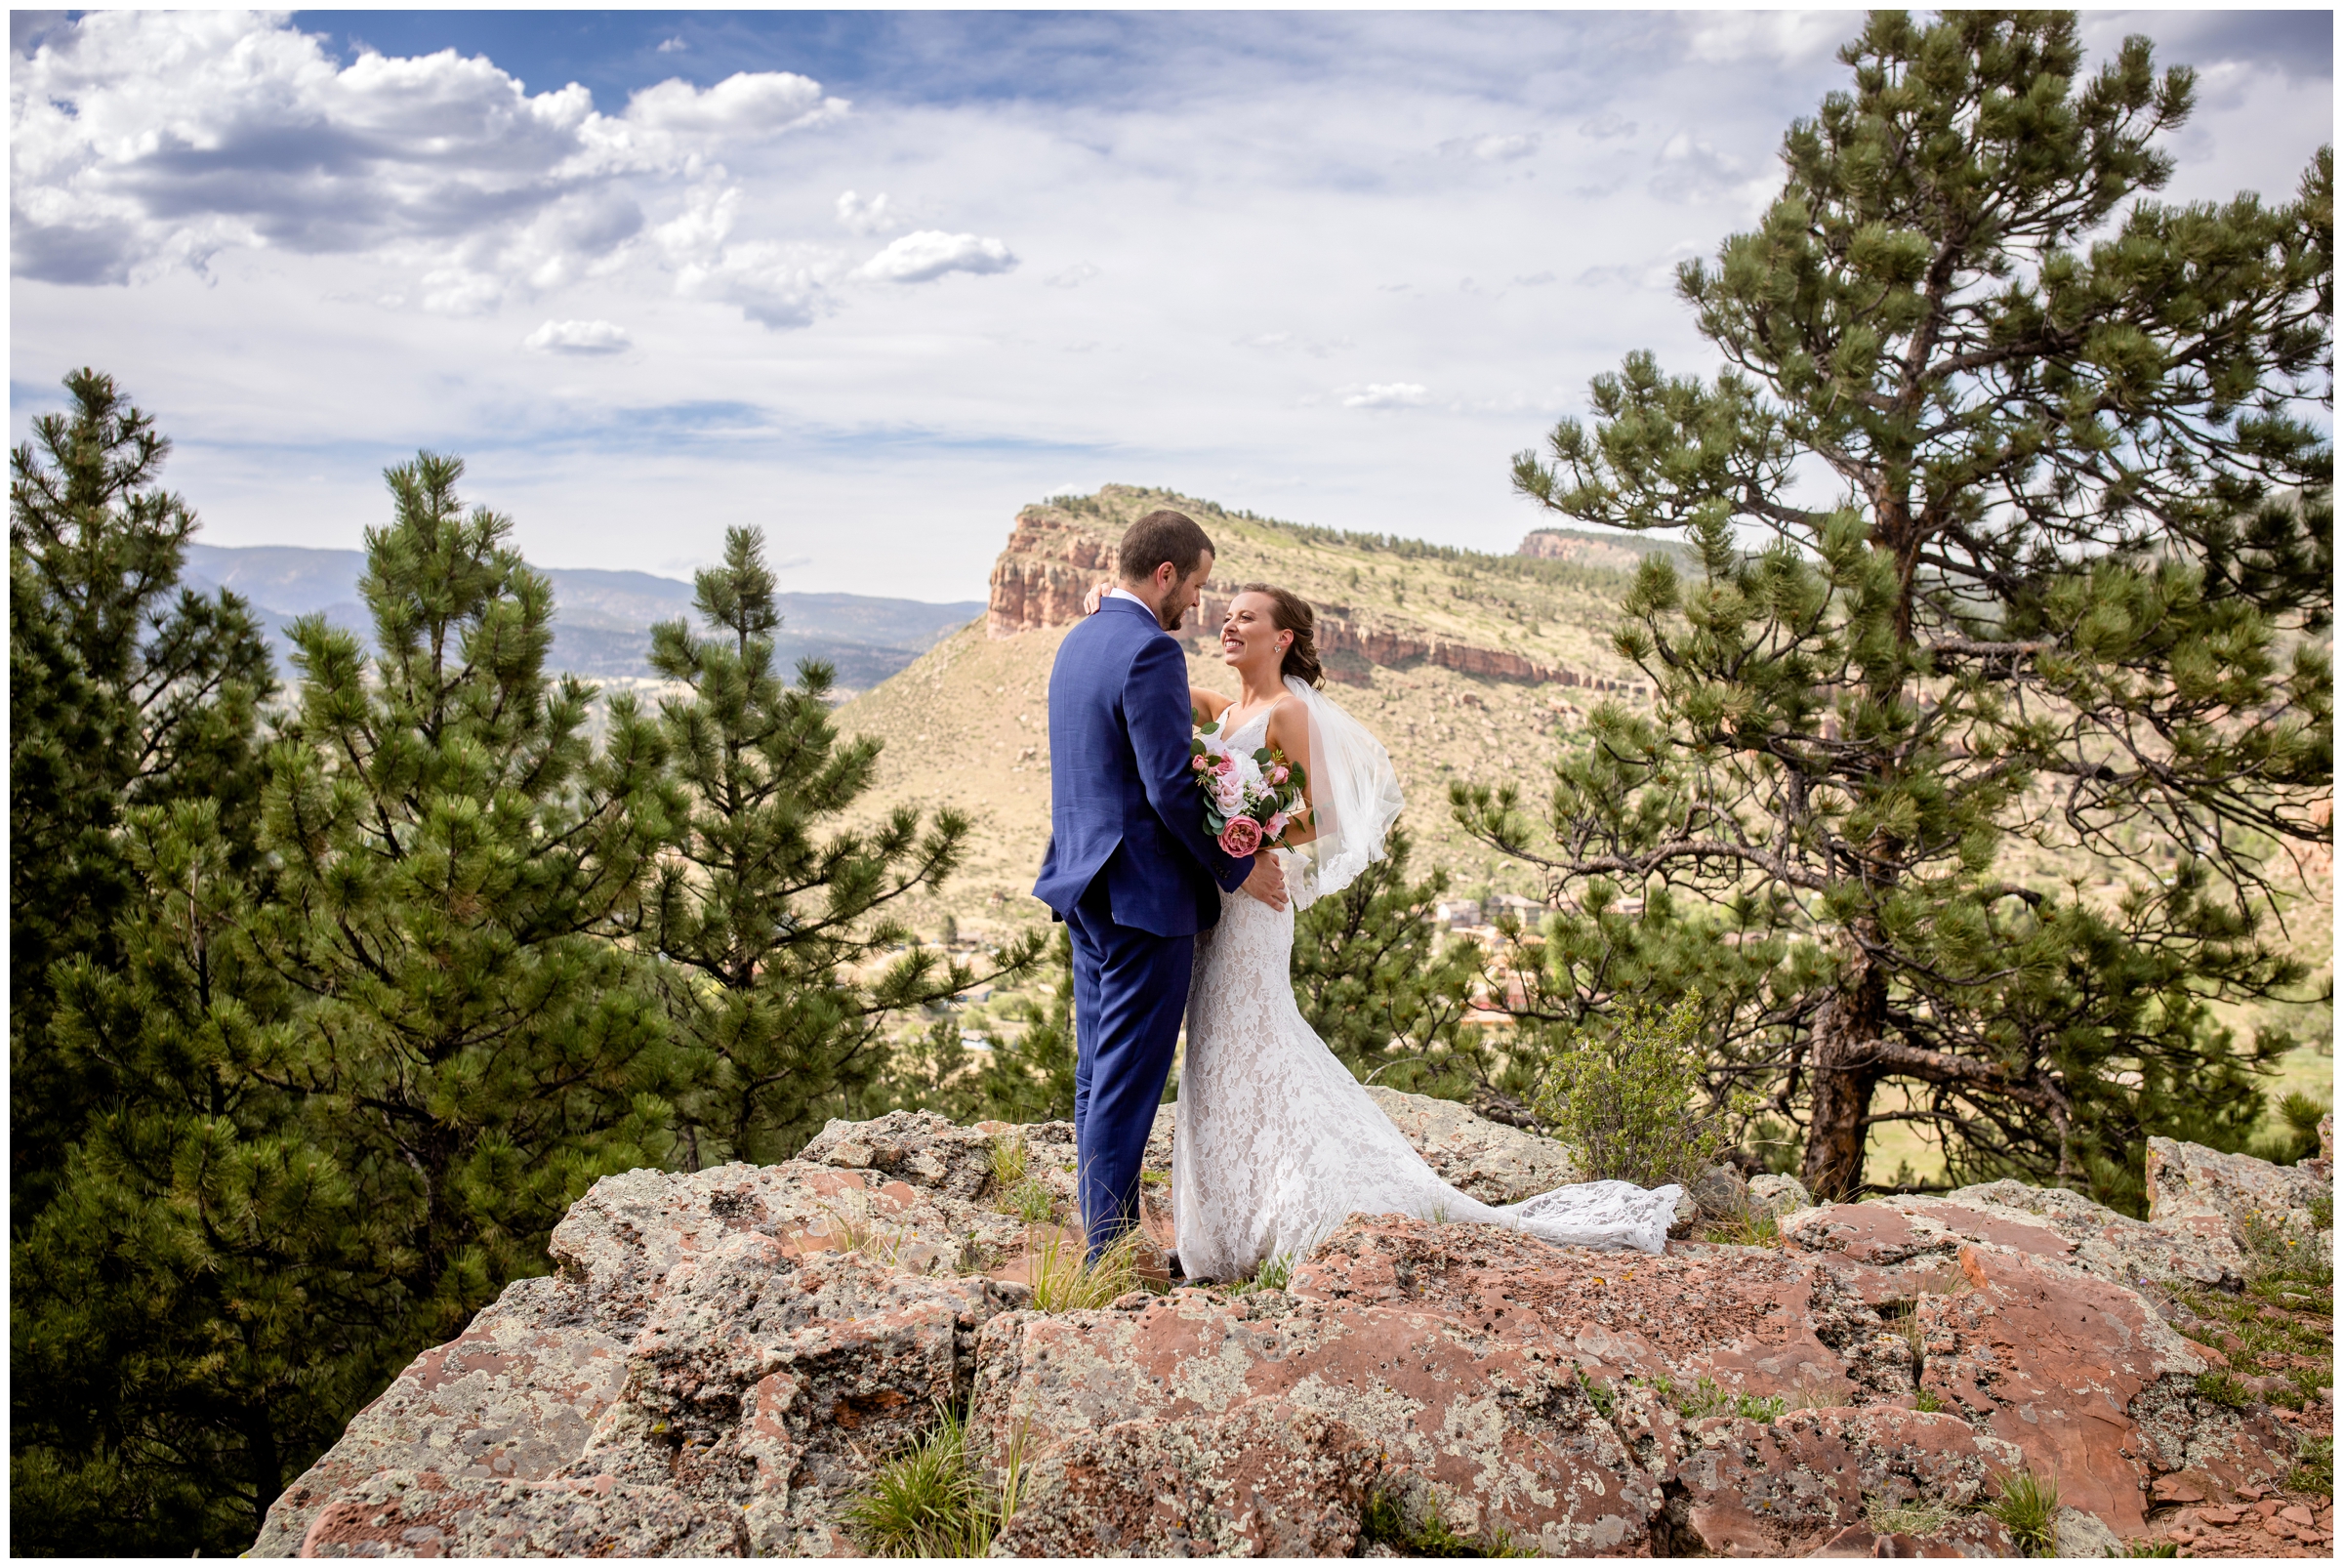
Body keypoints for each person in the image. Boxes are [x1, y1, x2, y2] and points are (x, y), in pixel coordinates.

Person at [1077, 577, 1683, 1280]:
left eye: (1247, 618)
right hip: (1218, 902)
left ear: (1283, 639)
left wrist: (1245, 834)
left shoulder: (1286, 712)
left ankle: (1291, 1209)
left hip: (1254, 903)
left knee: (1255, 1041)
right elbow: (1152, 683)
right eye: (1228, 615)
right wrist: (1110, 601)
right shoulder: (1224, 708)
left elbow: (1318, 819)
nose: (1229, 626)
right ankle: (1230, 1217)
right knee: (1214, 1054)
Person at [1032, 510, 1288, 1262]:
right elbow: (1172, 788)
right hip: (1144, 901)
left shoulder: (1079, 640)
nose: (1199, 606)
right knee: (1127, 1083)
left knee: (1095, 1074)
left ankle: (1098, 1238)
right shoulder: (1148, 651)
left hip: (1083, 886)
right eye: (1198, 586)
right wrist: (1240, 868)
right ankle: (1105, 1254)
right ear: (1167, 574)